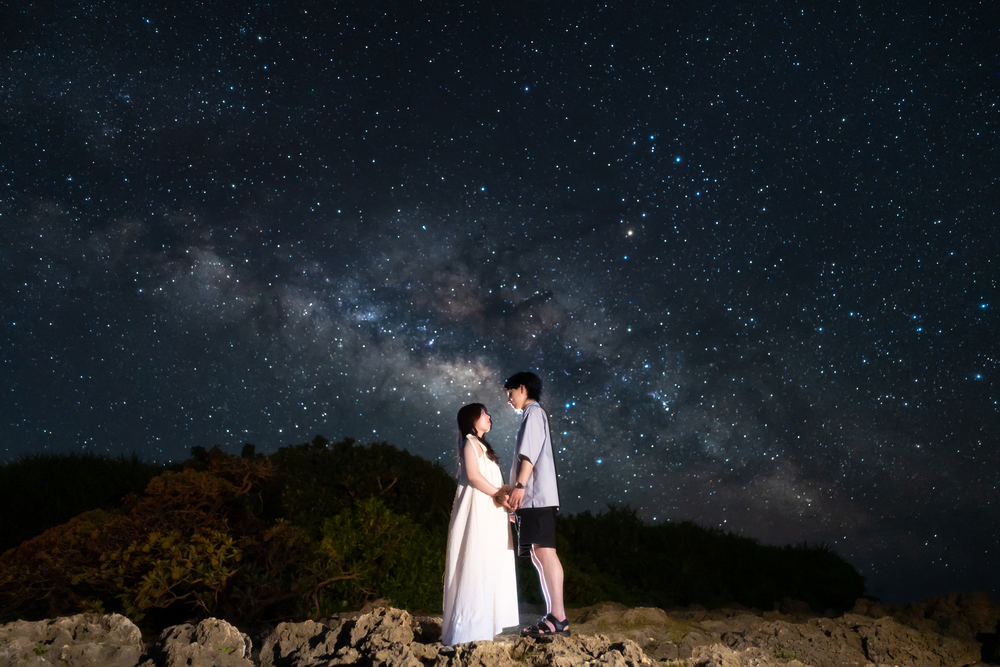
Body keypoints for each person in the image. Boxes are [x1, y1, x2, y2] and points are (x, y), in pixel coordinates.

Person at [441, 403, 519, 645]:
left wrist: (504, 506)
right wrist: (500, 494)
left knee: (489, 562)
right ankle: (468, 630)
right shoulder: (469, 442)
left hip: (489, 512)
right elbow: (474, 476)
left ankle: (485, 625)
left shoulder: (482, 446)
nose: (489, 416)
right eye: (483, 413)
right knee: (476, 559)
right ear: (471, 419)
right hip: (477, 510)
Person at [504, 371, 570, 637]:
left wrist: (519, 487)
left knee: (545, 552)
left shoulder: (534, 413)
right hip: (531, 501)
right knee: (536, 554)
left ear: (522, 388)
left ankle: (559, 617)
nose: (509, 399)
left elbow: (528, 454)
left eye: (510, 393)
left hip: (537, 497)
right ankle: (553, 616)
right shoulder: (531, 415)